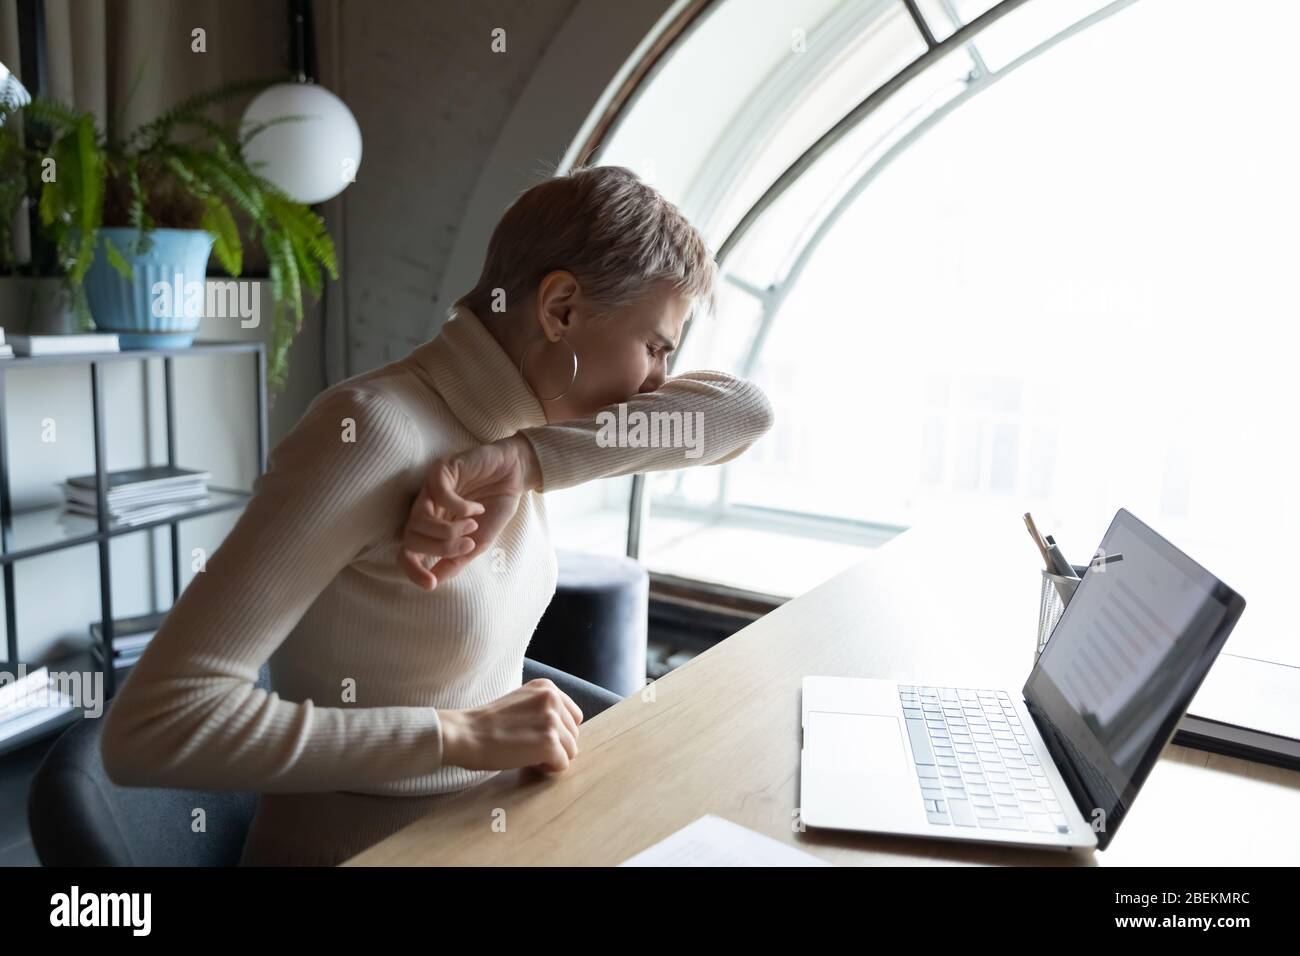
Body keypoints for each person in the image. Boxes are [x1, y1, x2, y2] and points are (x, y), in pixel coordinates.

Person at [100, 165, 774, 866]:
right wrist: (460, 736)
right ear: (562, 308)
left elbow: (744, 413)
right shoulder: (368, 434)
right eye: (656, 347)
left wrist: (525, 460)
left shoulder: (522, 441)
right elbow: (154, 727)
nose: (657, 384)